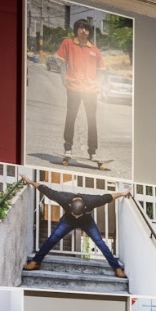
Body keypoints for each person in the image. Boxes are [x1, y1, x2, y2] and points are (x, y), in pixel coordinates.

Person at [22, 176, 133, 279]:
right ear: (70, 206)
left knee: (100, 242)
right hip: (68, 221)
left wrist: (123, 193)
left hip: (87, 223)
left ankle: (117, 268)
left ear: (85, 207)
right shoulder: (63, 198)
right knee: (52, 239)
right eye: (75, 214)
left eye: (78, 215)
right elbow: (45, 189)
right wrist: (31, 182)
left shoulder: (92, 201)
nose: (77, 217)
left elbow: (109, 197)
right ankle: (36, 262)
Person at [55, 18, 104, 160]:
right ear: (76, 29)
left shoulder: (94, 49)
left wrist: (98, 85)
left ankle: (92, 152)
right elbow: (61, 62)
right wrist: (64, 80)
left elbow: (101, 69)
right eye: (81, 28)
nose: (84, 31)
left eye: (87, 29)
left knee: (91, 119)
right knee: (71, 117)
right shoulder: (68, 43)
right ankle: (68, 148)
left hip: (90, 91)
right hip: (74, 87)